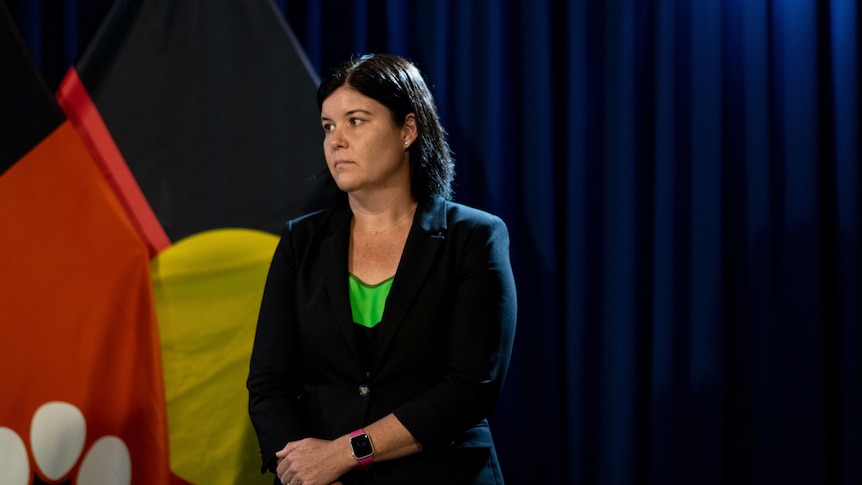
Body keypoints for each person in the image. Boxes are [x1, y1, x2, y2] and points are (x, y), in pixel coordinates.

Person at [247, 53, 517, 485]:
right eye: (328, 126)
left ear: (408, 129)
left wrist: (345, 453)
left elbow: (469, 389)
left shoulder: (474, 237)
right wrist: (306, 471)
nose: (336, 140)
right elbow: (268, 385)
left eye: (355, 120)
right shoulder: (301, 240)